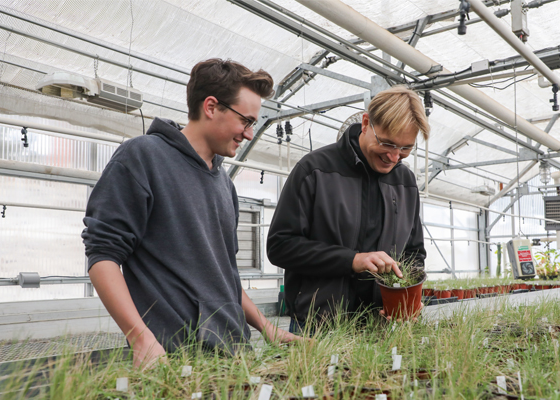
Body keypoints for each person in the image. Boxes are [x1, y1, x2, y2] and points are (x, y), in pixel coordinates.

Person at [82, 59, 298, 368]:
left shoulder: (225, 184)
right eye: (246, 121)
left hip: (235, 354)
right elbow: (102, 255)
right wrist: (141, 338)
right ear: (211, 107)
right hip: (174, 356)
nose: (249, 134)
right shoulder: (143, 157)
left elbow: (225, 276)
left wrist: (267, 327)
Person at [267, 86, 430, 332]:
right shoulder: (315, 171)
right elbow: (281, 246)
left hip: (381, 327)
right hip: (317, 325)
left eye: (406, 148)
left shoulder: (404, 182)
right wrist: (352, 260)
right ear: (366, 123)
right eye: (387, 143)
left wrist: (405, 300)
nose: (394, 157)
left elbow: (413, 254)